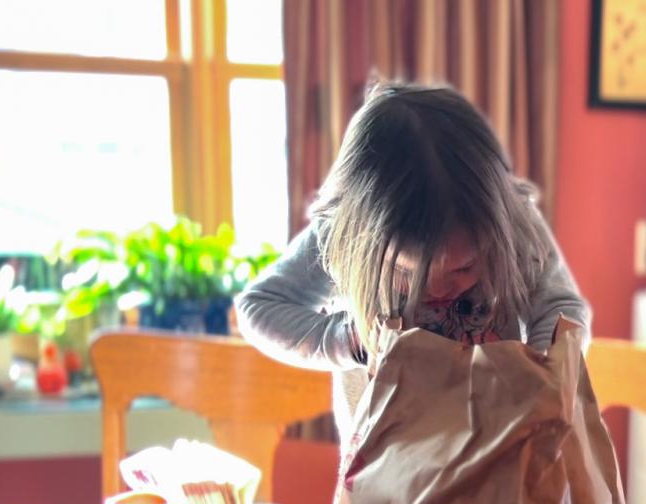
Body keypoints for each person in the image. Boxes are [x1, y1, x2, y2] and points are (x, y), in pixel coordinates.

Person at [235, 82, 590, 448]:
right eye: (407, 273)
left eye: (463, 269)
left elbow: (561, 307)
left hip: (499, 468)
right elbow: (258, 308)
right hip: (382, 480)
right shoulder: (342, 234)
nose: (436, 290)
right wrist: (346, 340)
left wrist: (544, 368)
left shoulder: (515, 225)